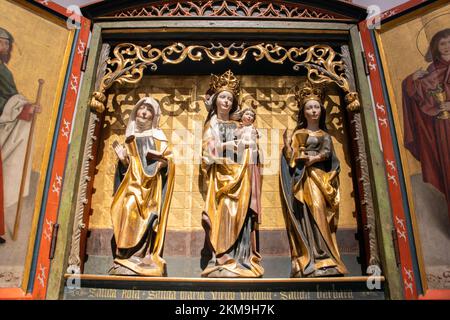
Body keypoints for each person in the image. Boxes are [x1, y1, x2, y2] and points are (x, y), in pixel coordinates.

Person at [279, 81, 348, 277]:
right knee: (307, 213)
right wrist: (287, 147)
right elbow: (291, 157)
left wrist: (313, 159)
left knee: (319, 209)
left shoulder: (324, 135)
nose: (314, 110)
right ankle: (311, 254)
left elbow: (327, 154)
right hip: (302, 179)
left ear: (321, 110)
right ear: (304, 111)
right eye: (309, 107)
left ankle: (326, 255)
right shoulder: (299, 133)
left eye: (316, 106)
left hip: (319, 177)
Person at [201, 70, 264, 278]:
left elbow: (252, 149)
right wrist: (228, 145)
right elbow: (208, 151)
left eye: (230, 98)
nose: (226, 101)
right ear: (216, 100)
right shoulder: (212, 124)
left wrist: (249, 148)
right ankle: (220, 257)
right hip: (220, 179)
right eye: (223, 97)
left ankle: (240, 259)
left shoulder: (239, 125)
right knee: (224, 212)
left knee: (241, 216)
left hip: (241, 177)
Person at [109, 97, 175, 276]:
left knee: (147, 218)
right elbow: (125, 167)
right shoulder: (130, 137)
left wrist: (162, 163)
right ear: (136, 112)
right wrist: (123, 160)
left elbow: (168, 160)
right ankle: (124, 256)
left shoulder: (159, 137)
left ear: (154, 116)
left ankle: (141, 255)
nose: (144, 112)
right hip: (132, 184)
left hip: (150, 187)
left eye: (149, 110)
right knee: (128, 208)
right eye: (142, 108)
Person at [402, 28, 450, 218]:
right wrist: (410, 81)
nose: (447, 46)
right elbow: (416, 96)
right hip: (443, 129)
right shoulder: (431, 72)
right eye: (442, 43)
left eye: (449, 42)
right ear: (436, 48)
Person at [0, 27, 40, 244]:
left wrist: (25, 107)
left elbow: (8, 99)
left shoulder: (4, 71)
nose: (7, 49)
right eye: (4, 43)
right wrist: (23, 108)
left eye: (7, 44)